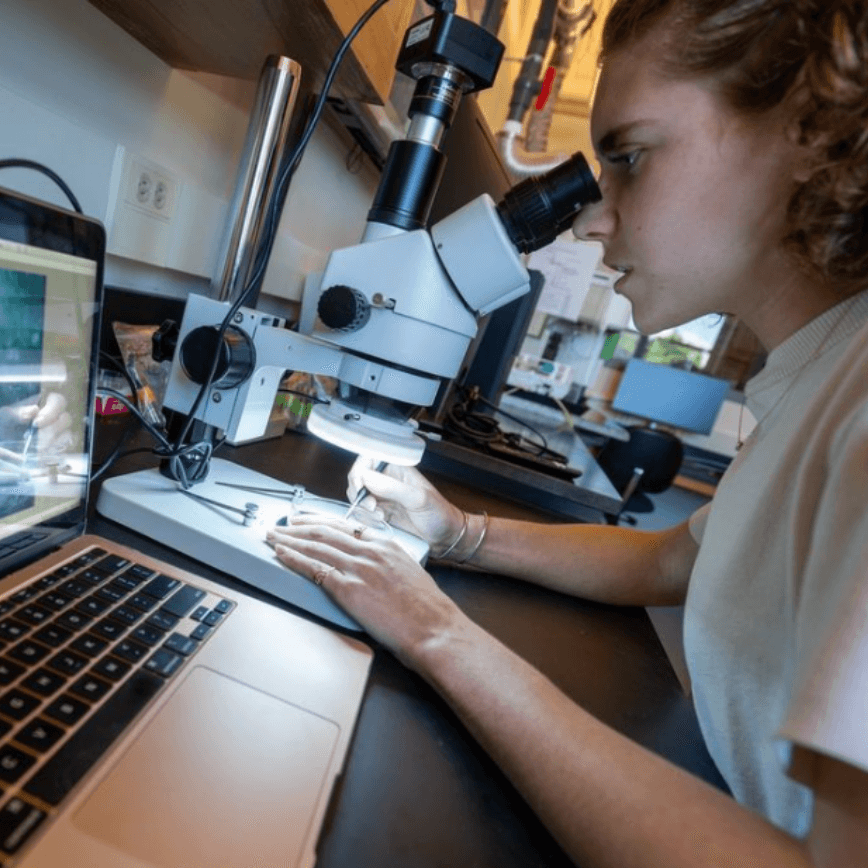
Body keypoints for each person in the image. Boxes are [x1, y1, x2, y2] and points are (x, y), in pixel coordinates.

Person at [266, 1, 868, 864]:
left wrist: (439, 635)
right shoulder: (823, 368)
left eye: (629, 158)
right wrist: (461, 534)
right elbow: (680, 561)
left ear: (811, 129)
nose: (591, 220)